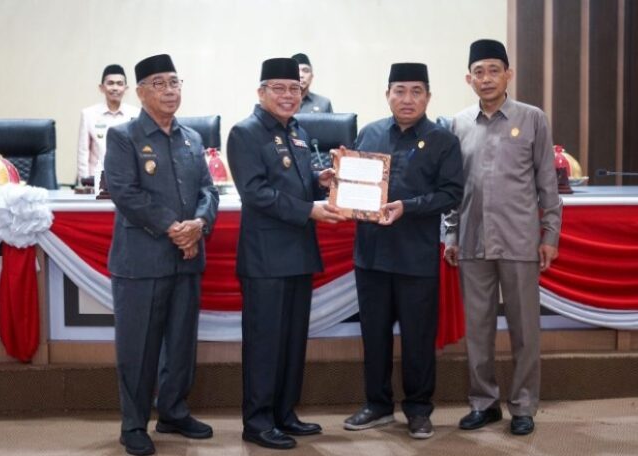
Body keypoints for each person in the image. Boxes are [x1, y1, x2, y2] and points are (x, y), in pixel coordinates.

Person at [444, 39, 562, 436]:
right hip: (472, 241)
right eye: (478, 72)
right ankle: (484, 403)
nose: (487, 78)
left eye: (494, 70)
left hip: (519, 240)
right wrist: (450, 234)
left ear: (508, 74)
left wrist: (550, 234)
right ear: (469, 79)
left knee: (524, 329)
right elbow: (454, 189)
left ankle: (524, 406)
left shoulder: (532, 119)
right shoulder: (458, 124)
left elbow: (547, 184)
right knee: (478, 330)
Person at [227, 57, 346, 450]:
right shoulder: (245, 133)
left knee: (293, 341)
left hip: (298, 253)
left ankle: (284, 413)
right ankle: (258, 421)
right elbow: (256, 192)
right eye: (278, 88)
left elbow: (293, 182)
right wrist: (309, 209)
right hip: (265, 258)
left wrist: (318, 181)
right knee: (265, 343)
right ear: (261, 92)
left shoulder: (297, 131)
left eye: (294, 88)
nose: (288, 95)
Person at [104, 54, 219, 456]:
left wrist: (199, 224)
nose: (169, 91)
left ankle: (173, 411)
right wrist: (175, 228)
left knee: (181, 343)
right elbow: (125, 193)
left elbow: (208, 191)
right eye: (159, 84)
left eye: (174, 82)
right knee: (138, 348)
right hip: (142, 261)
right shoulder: (123, 137)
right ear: (140, 92)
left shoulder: (192, 138)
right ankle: (133, 425)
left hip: (186, 258)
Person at [343, 63, 464, 439]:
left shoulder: (443, 140)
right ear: (387, 94)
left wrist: (407, 207)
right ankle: (377, 404)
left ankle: (418, 409)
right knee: (374, 335)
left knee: (417, 339)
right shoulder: (370, 133)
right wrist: (338, 182)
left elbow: (452, 194)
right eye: (399, 90)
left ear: (428, 97)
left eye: (416, 91)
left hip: (416, 257)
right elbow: (354, 189)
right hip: (371, 255)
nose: (407, 99)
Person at [77, 64, 139, 183]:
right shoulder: (88, 114)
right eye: (110, 83)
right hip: (96, 181)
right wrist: (84, 183)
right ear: (101, 88)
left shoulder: (136, 114)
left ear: (126, 88)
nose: (115, 88)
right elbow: (83, 153)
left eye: (119, 84)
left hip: (127, 181)